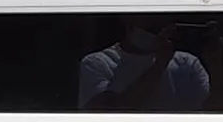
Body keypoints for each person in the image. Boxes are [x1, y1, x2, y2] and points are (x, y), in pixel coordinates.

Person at [77, 15, 212, 112]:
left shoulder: (188, 63)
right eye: (149, 25)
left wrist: (216, 63)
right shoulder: (98, 63)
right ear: (126, 19)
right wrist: (159, 64)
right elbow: (110, 114)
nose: (156, 26)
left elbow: (214, 110)